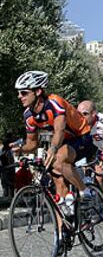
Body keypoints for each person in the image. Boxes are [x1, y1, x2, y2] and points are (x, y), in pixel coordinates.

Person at [10, 71, 95, 216]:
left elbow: (59, 130)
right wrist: (21, 150)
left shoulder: (54, 103)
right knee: (49, 166)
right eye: (19, 93)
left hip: (82, 136)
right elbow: (32, 143)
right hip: (64, 142)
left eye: (24, 92)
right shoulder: (28, 116)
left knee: (58, 159)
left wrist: (53, 149)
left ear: (37, 91)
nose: (19, 96)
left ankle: (85, 192)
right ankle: (65, 217)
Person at [0, 133, 16, 198]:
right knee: (9, 185)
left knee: (7, 185)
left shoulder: (4, 150)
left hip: (6, 170)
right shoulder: (7, 151)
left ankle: (8, 199)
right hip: (7, 170)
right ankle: (9, 199)